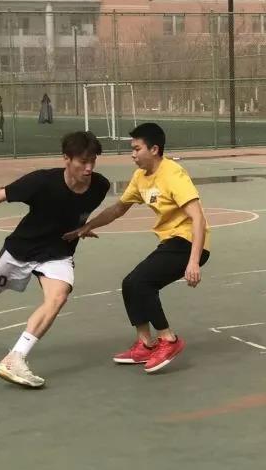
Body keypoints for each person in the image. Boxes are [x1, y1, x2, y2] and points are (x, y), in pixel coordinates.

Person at [0, 131, 110, 387]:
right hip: (22, 250)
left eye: (93, 161)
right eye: (83, 161)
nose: (89, 168)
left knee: (58, 297)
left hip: (57, 253)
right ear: (66, 158)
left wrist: (85, 227)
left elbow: (77, 212)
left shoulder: (100, 186)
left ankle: (15, 358)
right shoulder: (41, 182)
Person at [65, 122, 210, 374]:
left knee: (142, 282)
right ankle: (145, 344)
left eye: (136, 148)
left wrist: (194, 261)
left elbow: (198, 217)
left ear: (154, 149)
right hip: (171, 242)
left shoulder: (173, 174)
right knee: (130, 284)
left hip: (188, 242)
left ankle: (169, 340)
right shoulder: (140, 177)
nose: (132, 154)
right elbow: (118, 209)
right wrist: (86, 226)